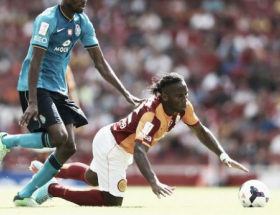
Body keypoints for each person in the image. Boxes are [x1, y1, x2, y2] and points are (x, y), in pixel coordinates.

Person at [0, 0, 142, 207]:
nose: (84, 0)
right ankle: (5, 142)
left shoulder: (83, 22)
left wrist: (125, 93)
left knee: (68, 145)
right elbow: (35, 61)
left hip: (58, 87)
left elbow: (100, 63)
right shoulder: (47, 19)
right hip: (35, 84)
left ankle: (25, 194)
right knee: (58, 137)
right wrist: (32, 101)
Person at [29, 72, 249, 207]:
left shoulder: (182, 107)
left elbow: (200, 130)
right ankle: (52, 189)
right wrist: (153, 181)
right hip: (113, 145)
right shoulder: (152, 116)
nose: (185, 99)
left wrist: (222, 154)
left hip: (115, 141)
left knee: (92, 177)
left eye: (186, 94)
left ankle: (50, 170)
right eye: (180, 95)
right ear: (164, 97)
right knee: (111, 200)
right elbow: (139, 151)